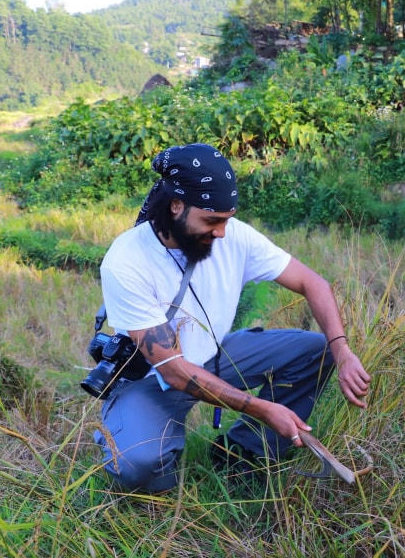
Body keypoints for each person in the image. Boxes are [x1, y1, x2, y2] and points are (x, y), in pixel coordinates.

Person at [93, 143, 370, 493]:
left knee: (318, 350)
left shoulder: (234, 235)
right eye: (211, 221)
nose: (221, 232)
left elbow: (311, 282)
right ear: (176, 206)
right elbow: (174, 371)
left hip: (213, 357)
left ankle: (243, 453)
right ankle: (134, 440)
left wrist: (343, 350)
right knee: (138, 467)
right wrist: (262, 408)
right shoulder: (127, 261)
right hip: (154, 380)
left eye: (226, 219)